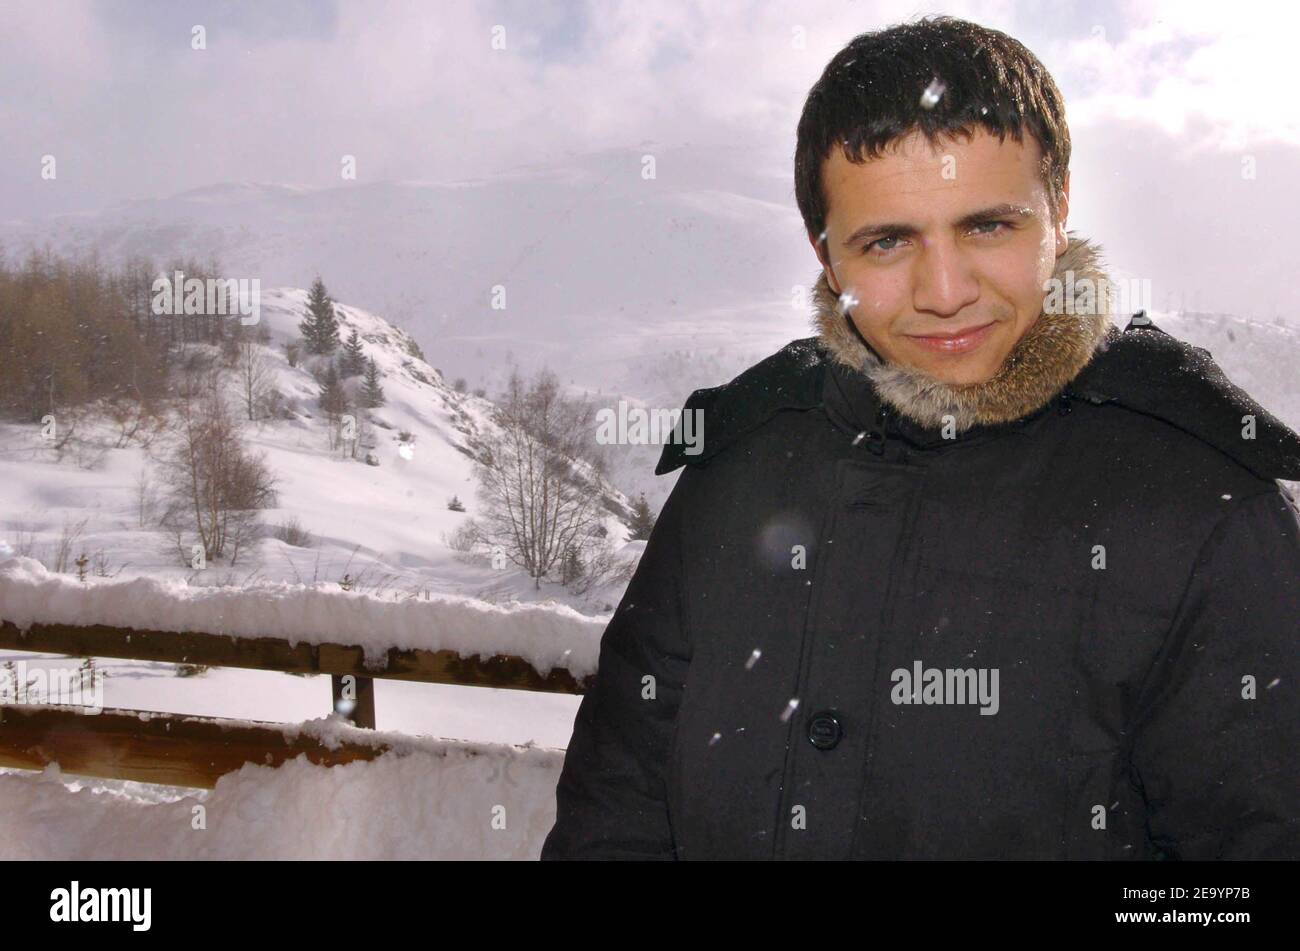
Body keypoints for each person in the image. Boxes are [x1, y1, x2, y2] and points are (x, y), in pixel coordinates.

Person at [541, 15, 1300, 860]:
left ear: (1060, 206)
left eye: (988, 226)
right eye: (889, 240)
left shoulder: (1202, 504)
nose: (945, 291)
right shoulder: (740, 464)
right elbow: (615, 807)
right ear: (826, 255)